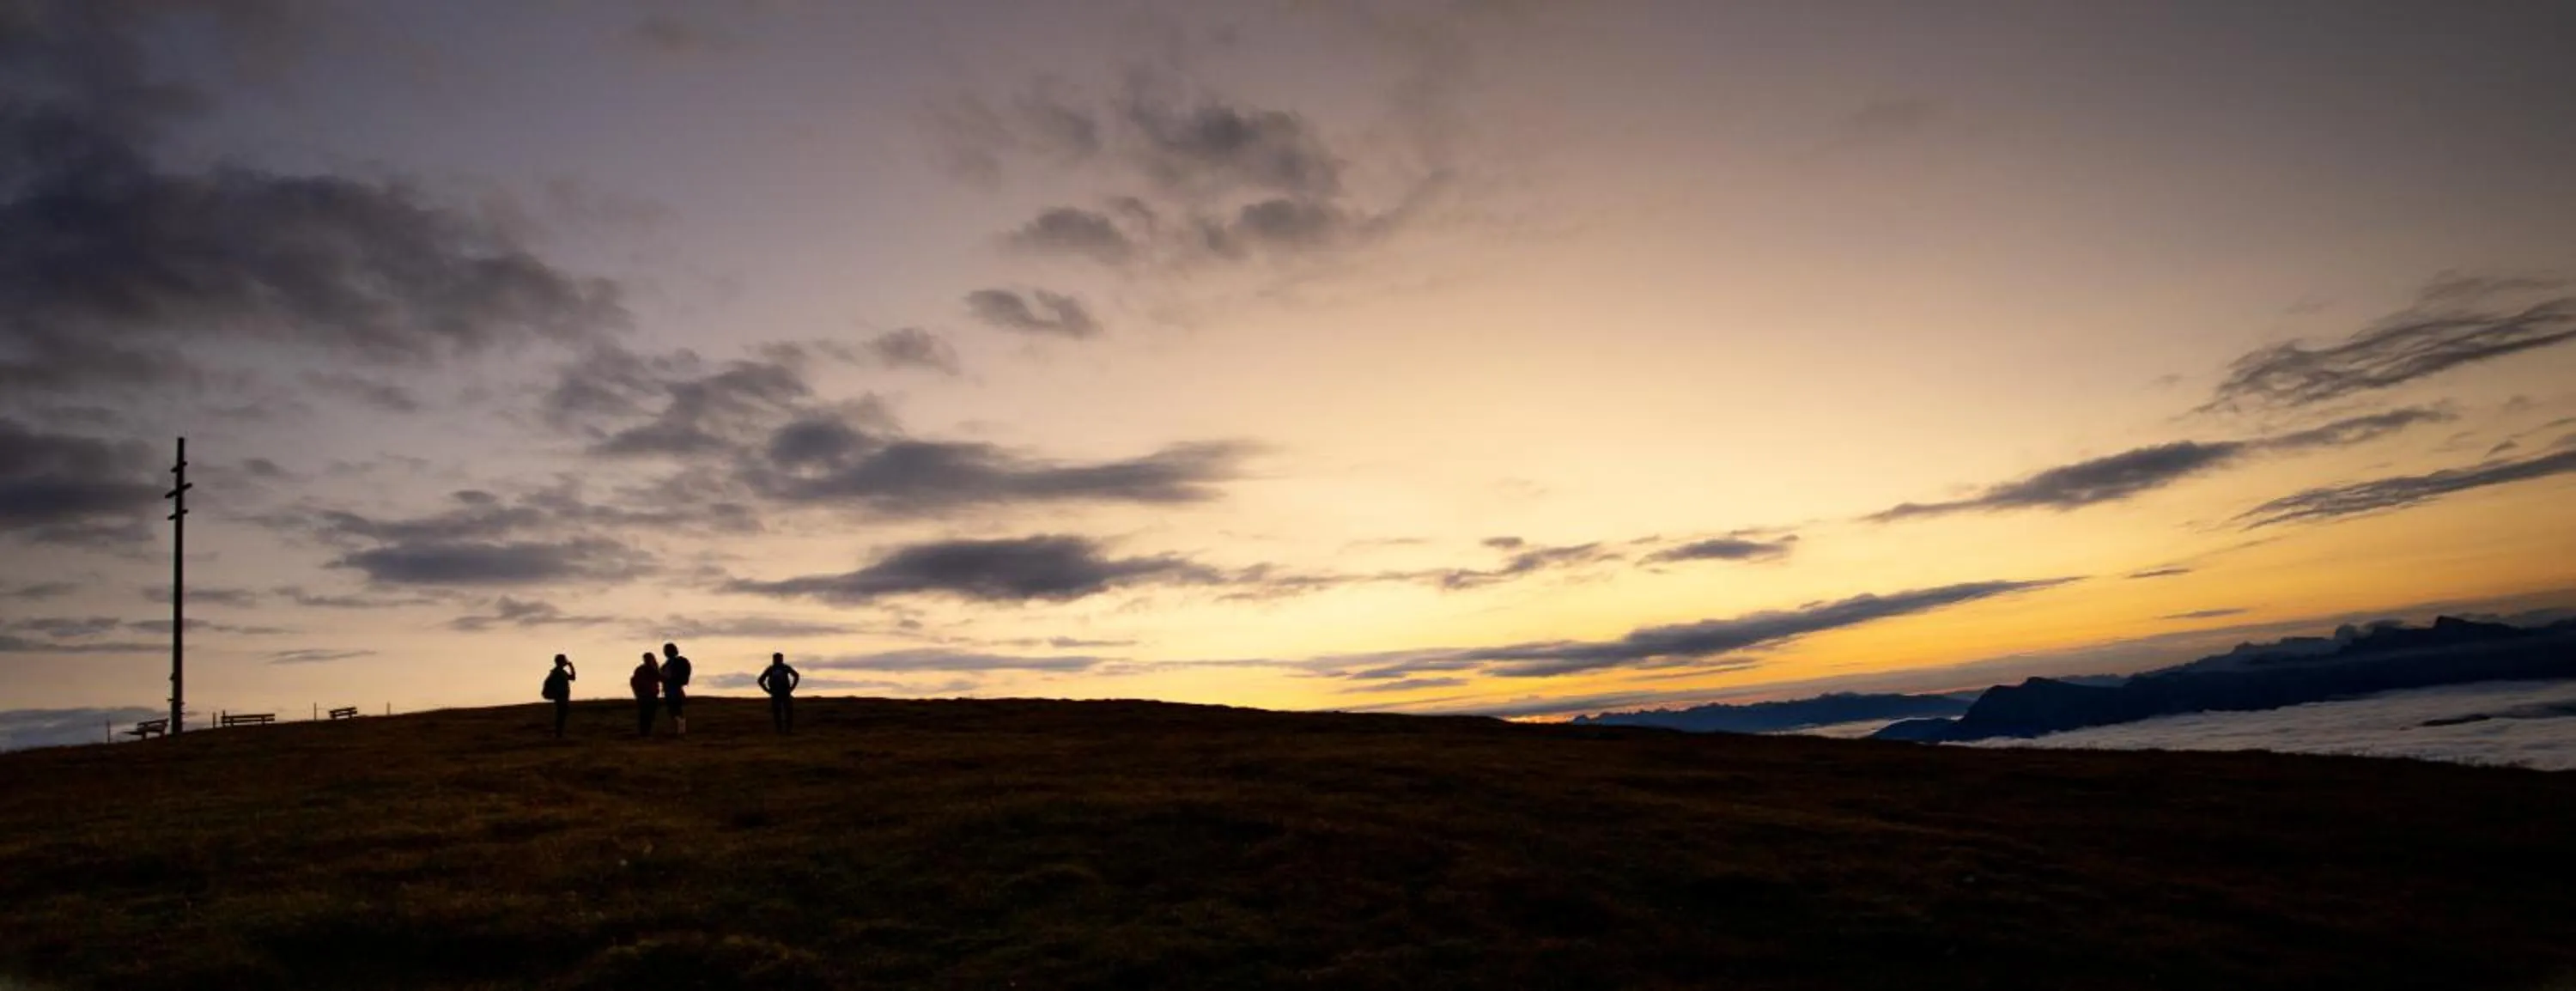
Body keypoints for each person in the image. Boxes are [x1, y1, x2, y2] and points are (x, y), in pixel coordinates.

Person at [756, 652, 800, 734]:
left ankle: (787, 730)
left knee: (787, 712)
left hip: (784, 693)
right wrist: (768, 691)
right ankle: (780, 730)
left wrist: (791, 688)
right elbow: (760, 680)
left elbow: (796, 676)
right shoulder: (771, 669)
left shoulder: (784, 668)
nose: (778, 661)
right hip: (777, 693)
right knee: (778, 712)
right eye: (777, 659)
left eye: (779, 659)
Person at [660, 641, 693, 738]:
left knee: (675, 708)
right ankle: (679, 729)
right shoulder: (668, 664)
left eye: (666, 650)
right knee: (673, 709)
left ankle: (680, 729)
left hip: (674, 688)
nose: (665, 652)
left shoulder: (678, 662)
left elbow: (683, 674)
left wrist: (675, 679)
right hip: (670, 688)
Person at [542, 654, 577, 738]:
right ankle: (558, 735)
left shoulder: (560, 671)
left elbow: (572, 678)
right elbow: (571, 679)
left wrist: (571, 667)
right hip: (561, 697)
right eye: (564, 660)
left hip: (562, 697)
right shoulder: (558, 672)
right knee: (561, 716)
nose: (565, 662)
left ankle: (559, 734)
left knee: (562, 715)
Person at [629, 652, 661, 737]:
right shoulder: (643, 670)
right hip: (645, 695)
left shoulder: (650, 669)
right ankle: (645, 732)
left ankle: (645, 732)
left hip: (649, 695)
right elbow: (634, 681)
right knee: (645, 714)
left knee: (648, 714)